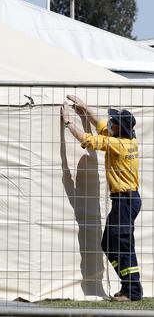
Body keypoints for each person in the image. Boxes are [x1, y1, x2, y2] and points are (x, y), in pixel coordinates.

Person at [62, 95, 142, 302]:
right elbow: (101, 125)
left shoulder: (118, 145)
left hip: (126, 200)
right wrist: (84, 107)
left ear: (118, 129)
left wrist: (68, 121)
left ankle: (132, 291)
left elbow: (86, 139)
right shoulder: (127, 139)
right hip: (124, 200)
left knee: (124, 245)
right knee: (108, 244)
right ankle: (128, 284)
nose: (110, 123)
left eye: (114, 122)